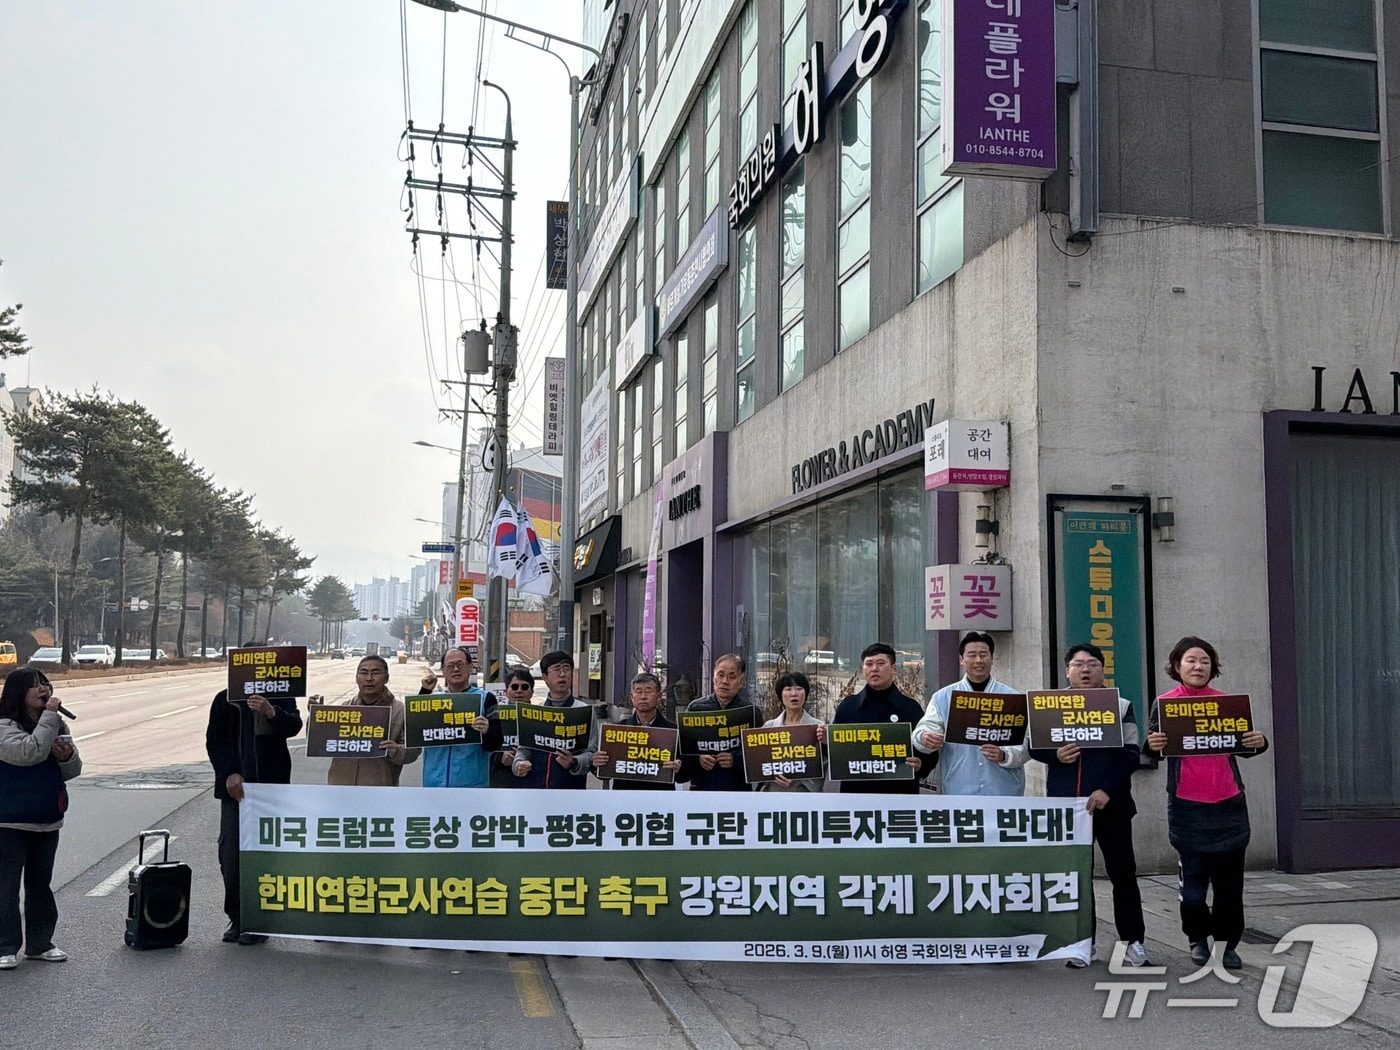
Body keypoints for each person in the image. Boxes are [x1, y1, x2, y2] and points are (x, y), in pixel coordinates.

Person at [1145, 636, 1268, 971]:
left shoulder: (1227, 703)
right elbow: (1152, 748)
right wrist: (1151, 744)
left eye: (1204, 661)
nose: (1198, 667)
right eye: (1190, 661)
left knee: (1229, 889)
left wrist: (1259, 742)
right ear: (1176, 666)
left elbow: (1245, 745)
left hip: (1228, 805)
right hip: (1187, 807)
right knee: (1195, 890)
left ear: (1213, 667)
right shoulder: (1166, 704)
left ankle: (1227, 945)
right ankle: (1197, 938)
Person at [1028, 644, 1149, 968]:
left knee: (1122, 874)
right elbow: (1032, 746)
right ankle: (1083, 944)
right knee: (1076, 876)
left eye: (1092, 664)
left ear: (1102, 669)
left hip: (1112, 803)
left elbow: (1130, 753)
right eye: (1078, 664)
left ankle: (1134, 942)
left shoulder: (1120, 705)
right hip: (1068, 806)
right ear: (1067, 671)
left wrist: (1107, 789)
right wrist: (1055, 755)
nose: (1085, 670)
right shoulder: (1050, 706)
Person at [205, 662, 302, 946]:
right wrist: (228, 774)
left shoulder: (282, 696)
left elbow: (294, 726)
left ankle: (260, 919)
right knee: (231, 854)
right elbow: (215, 742)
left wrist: (271, 711)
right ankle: (237, 917)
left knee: (266, 855)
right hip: (236, 790)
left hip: (270, 789)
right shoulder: (225, 699)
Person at [0, 668, 81, 969]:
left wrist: (65, 757)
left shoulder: (55, 723)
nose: (43, 690)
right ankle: (5, 946)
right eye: (35, 686)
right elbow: (28, 752)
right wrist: (49, 718)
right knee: (6, 885)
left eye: (45, 684)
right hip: (9, 819)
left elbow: (73, 770)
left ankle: (40, 943)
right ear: (18, 693)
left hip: (47, 815)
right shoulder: (4, 725)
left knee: (40, 883)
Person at [915, 632, 1027, 796]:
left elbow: (1026, 744)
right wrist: (925, 737)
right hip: (959, 787)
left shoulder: (1012, 698)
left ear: (992, 658)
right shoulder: (944, 697)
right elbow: (925, 728)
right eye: (972, 655)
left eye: (983, 655)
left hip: (1004, 789)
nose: (978, 660)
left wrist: (1004, 755)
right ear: (962, 660)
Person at [832, 643, 932, 795]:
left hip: (900, 795)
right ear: (862, 669)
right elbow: (836, 753)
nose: (874, 669)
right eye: (869, 664)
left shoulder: (910, 708)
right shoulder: (848, 707)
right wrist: (826, 740)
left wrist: (921, 764)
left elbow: (928, 749)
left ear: (894, 668)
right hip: (856, 796)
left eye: (880, 663)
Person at [309, 655, 420, 786]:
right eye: (364, 673)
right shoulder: (344, 708)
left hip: (380, 790)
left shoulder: (400, 711)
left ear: (386, 678)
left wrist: (395, 750)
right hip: (340, 787)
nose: (369, 678)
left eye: (375, 673)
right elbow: (318, 742)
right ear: (356, 678)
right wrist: (316, 718)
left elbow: (413, 751)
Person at [415, 647, 502, 788]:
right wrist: (424, 692)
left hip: (472, 786)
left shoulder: (486, 698)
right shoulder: (431, 700)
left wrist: (487, 731)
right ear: (443, 670)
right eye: (450, 666)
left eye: (460, 665)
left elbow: (496, 743)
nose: (455, 669)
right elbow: (415, 731)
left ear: (470, 667)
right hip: (434, 785)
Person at [676, 654, 764, 792]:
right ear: (713, 677)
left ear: (741, 681)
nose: (724, 681)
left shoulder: (751, 713)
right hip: (702, 789)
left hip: (737, 790)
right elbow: (682, 752)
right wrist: (698, 759)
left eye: (732, 677)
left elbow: (759, 757)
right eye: (720, 675)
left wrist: (735, 760)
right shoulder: (696, 709)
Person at [511, 651, 597, 789]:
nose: (562, 674)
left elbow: (591, 752)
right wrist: (519, 764)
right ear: (544, 677)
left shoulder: (584, 711)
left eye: (567, 669)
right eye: (556, 669)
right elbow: (523, 750)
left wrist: (574, 762)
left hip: (571, 789)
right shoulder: (534, 712)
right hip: (535, 789)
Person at [592, 672, 681, 791]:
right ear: (632, 697)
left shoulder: (672, 732)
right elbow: (603, 773)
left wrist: (679, 768)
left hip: (661, 800)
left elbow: (686, 775)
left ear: (659, 696)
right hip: (624, 800)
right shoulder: (617, 731)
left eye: (648, 691)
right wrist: (596, 764)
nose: (643, 696)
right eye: (638, 691)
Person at [756, 671, 826, 793]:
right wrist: (771, 775)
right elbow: (757, 763)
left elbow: (825, 764)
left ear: (806, 693)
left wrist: (800, 778)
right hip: (772, 792)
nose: (794, 694)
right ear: (780, 695)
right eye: (788, 689)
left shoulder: (819, 727)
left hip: (804, 794)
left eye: (799, 689)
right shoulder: (769, 727)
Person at [490, 668, 535, 788]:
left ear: (532, 692)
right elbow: (482, 749)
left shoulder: (541, 717)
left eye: (524, 687)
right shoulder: (494, 716)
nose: (519, 691)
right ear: (506, 691)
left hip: (532, 782)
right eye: (514, 687)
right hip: (500, 782)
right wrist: (500, 757)